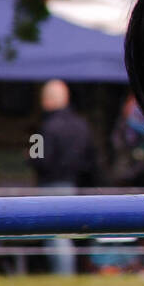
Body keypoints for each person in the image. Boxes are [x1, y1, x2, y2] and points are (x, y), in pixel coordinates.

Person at [31, 79, 99, 274]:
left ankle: (63, 275)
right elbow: (91, 158)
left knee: (55, 235)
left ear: (47, 100)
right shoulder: (82, 125)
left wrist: (30, 156)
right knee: (66, 233)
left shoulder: (45, 127)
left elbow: (39, 159)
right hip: (74, 185)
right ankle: (68, 274)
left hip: (50, 186)